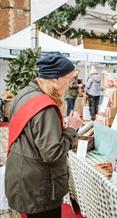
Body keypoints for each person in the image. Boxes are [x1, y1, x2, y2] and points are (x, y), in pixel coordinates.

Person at [5, 53, 83, 218]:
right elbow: (52, 153)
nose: (70, 85)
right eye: (68, 79)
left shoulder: (25, 93)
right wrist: (72, 130)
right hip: (39, 186)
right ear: (55, 79)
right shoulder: (45, 106)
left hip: (23, 175)